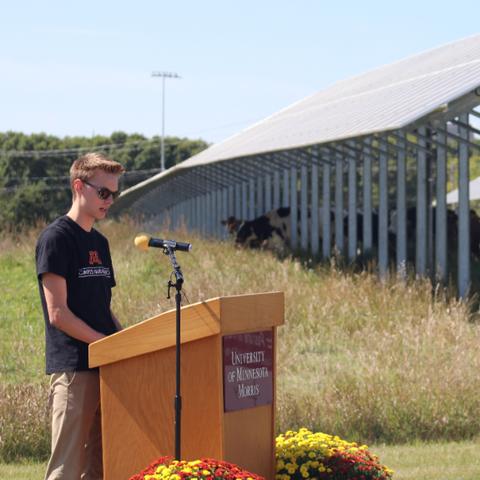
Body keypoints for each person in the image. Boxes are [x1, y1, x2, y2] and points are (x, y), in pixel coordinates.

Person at [35, 153, 125, 480]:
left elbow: (103, 309)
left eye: (114, 194)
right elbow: (59, 313)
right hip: (75, 369)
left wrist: (127, 344)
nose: (110, 201)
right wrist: (107, 345)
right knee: (67, 468)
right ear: (78, 186)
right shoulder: (56, 238)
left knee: (102, 467)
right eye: (103, 192)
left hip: (107, 367)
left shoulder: (100, 243)